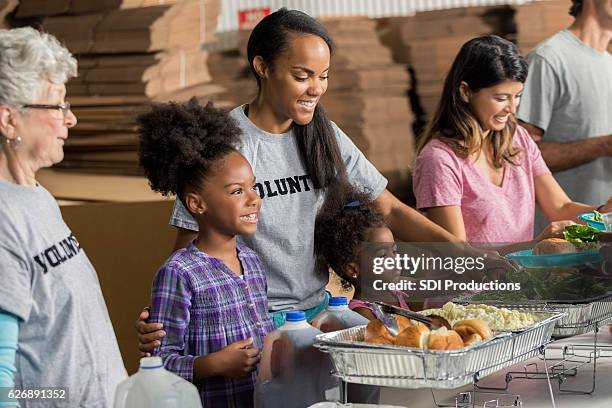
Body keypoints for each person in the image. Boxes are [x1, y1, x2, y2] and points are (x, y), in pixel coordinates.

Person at [136, 9, 514, 353]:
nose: (316, 88)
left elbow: (392, 209)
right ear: (262, 67)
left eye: (324, 76)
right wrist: (166, 316)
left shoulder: (323, 135)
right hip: (249, 321)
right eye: (302, 76)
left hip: (316, 312)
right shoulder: (227, 145)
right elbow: (188, 248)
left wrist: (468, 254)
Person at [0, 27, 126, 407]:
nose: (70, 119)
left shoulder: (37, 198)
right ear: (9, 120)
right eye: (57, 105)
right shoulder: (3, 221)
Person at [413, 35, 612, 248]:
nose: (511, 108)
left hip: (525, 279)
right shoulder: (439, 160)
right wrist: (535, 245)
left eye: (517, 96)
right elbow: (459, 257)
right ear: (465, 91)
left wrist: (603, 213)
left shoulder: (518, 139)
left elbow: (561, 207)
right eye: (500, 98)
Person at [138, 100, 275, 407]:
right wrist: (213, 365)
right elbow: (157, 364)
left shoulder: (251, 262)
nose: (255, 199)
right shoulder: (180, 272)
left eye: (253, 187)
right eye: (237, 191)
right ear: (197, 204)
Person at [517, 0, 612, 232]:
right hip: (563, 243)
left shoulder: (608, 63)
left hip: (602, 234)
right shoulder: (548, 60)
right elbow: (519, 157)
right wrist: (604, 145)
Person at [314, 183, 408, 320]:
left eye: (394, 251)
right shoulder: (362, 313)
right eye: (382, 256)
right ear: (352, 268)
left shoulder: (394, 293)